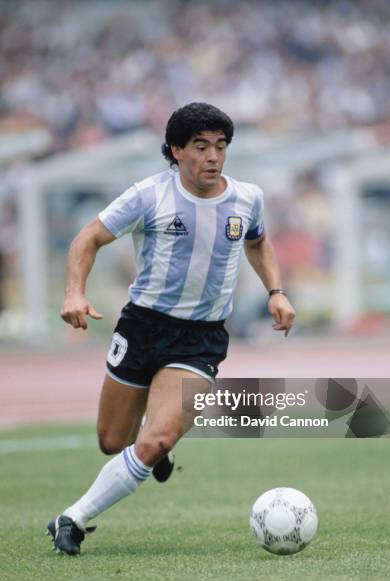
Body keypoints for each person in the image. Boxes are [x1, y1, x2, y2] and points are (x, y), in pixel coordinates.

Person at [47, 102, 296, 555]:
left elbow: (257, 241)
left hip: (201, 338)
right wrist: (73, 293)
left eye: (220, 146)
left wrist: (275, 290)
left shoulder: (247, 198)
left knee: (157, 437)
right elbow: (88, 238)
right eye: (200, 146)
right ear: (176, 151)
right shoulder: (147, 196)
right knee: (111, 441)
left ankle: (72, 518)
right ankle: (153, 442)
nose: (213, 157)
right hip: (143, 326)